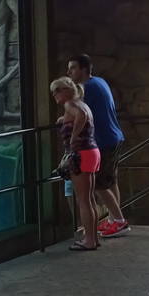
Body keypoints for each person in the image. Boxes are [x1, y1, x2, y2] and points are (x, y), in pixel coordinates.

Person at [67, 53, 129, 239]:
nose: (69, 72)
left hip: (103, 140)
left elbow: (81, 114)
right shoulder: (99, 81)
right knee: (110, 181)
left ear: (84, 69)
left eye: (73, 68)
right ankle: (114, 220)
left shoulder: (87, 88)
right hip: (114, 136)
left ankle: (119, 221)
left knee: (100, 184)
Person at [50, 75, 101, 250]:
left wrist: (73, 138)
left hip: (81, 154)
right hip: (92, 152)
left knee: (83, 200)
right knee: (89, 198)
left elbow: (81, 116)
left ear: (65, 90)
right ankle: (93, 237)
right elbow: (81, 114)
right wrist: (64, 121)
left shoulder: (70, 105)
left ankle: (89, 241)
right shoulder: (80, 103)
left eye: (57, 90)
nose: (54, 94)